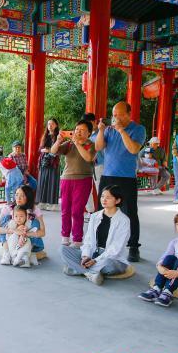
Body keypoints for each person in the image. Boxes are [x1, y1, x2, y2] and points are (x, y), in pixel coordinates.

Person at [95, 101, 146, 262]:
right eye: (114, 115)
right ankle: (100, 244)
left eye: (119, 115)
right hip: (108, 175)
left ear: (128, 114)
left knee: (130, 213)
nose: (115, 118)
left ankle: (133, 247)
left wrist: (122, 131)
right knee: (102, 211)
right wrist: (101, 130)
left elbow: (133, 149)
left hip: (127, 177)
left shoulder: (138, 129)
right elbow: (98, 147)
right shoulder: (109, 130)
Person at [61, 185, 130, 286]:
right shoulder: (94, 216)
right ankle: (90, 274)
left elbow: (116, 249)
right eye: (102, 196)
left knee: (109, 264)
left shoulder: (124, 220)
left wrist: (95, 261)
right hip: (93, 253)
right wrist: (86, 256)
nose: (104, 200)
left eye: (108, 197)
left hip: (112, 258)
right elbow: (88, 240)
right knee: (63, 249)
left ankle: (77, 269)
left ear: (117, 200)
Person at [50, 119, 95, 247]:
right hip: (66, 179)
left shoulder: (91, 144)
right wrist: (58, 141)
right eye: (77, 129)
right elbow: (53, 151)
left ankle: (77, 239)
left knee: (77, 211)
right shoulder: (69, 144)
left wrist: (77, 143)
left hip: (83, 180)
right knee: (65, 210)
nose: (78, 132)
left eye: (82, 130)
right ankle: (65, 236)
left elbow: (88, 158)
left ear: (89, 133)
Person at [0, 185, 46, 256]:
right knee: (6, 218)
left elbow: (42, 233)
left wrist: (24, 234)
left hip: (27, 239)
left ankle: (25, 253)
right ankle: (8, 253)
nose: (18, 198)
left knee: (35, 222)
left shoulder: (35, 210)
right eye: (17, 195)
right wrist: (15, 231)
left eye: (22, 195)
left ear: (28, 197)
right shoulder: (8, 208)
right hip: (11, 238)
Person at [36, 119, 61, 210]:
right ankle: (42, 202)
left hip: (54, 162)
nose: (50, 126)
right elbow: (40, 149)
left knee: (52, 182)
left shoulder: (59, 136)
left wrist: (49, 150)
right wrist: (45, 150)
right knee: (43, 181)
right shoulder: (45, 136)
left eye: (52, 124)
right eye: (49, 124)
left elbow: (60, 150)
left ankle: (53, 204)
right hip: (44, 161)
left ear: (56, 125)